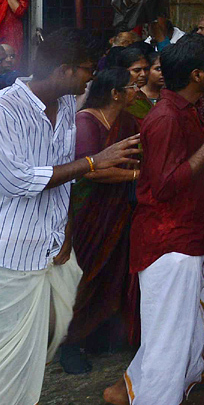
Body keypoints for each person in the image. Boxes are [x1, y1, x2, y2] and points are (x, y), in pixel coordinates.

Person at [0, 30, 139, 405]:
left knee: (38, 347)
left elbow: (62, 173)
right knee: (1, 356)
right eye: (87, 70)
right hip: (7, 251)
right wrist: (95, 162)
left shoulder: (68, 102)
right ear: (64, 69)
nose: (92, 79)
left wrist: (66, 232)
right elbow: (19, 180)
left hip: (51, 245)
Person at [99, 35, 204, 405]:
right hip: (169, 242)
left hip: (187, 234)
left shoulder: (183, 109)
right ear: (196, 75)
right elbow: (165, 185)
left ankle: (126, 391)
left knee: (179, 328)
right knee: (171, 335)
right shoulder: (166, 117)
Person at [59, 66, 143, 375]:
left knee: (113, 272)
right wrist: (137, 175)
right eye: (133, 86)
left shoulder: (127, 120)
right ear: (115, 93)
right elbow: (90, 169)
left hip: (120, 208)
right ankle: (69, 343)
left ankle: (97, 334)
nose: (139, 90)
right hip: (90, 211)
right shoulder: (87, 121)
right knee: (88, 275)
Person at [114, 43, 156, 119]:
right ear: (123, 70)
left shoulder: (140, 95)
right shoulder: (121, 98)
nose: (143, 74)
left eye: (146, 69)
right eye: (137, 70)